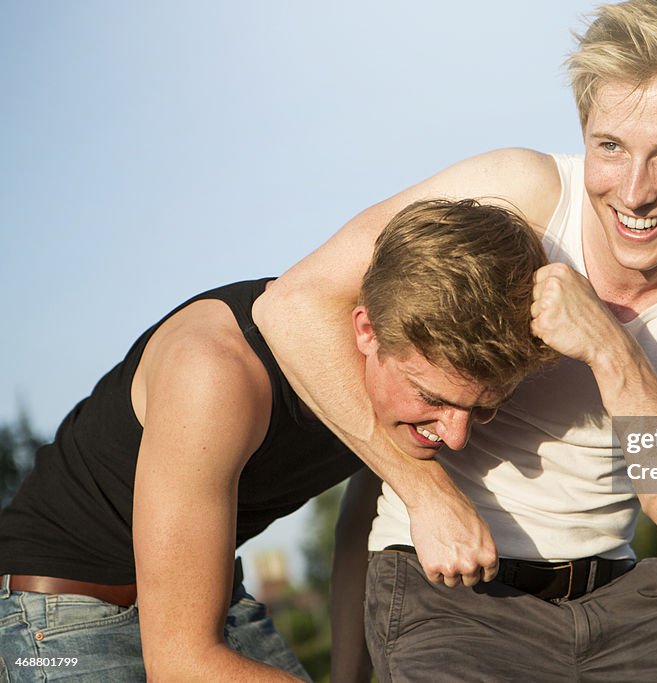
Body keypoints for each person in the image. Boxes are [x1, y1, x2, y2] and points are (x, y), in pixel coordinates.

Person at [256, 0, 657, 679]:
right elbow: (292, 305)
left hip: (620, 608)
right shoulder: (521, 192)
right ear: (583, 130)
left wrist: (610, 345)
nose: (634, 192)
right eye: (611, 147)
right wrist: (425, 493)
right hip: (449, 596)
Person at [0, 199, 554, 682]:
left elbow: (364, 532)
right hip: (57, 612)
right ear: (367, 330)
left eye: (479, 410)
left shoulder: (393, 394)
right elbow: (180, 663)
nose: (454, 437)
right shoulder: (215, 372)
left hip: (202, 602)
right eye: (432, 397)